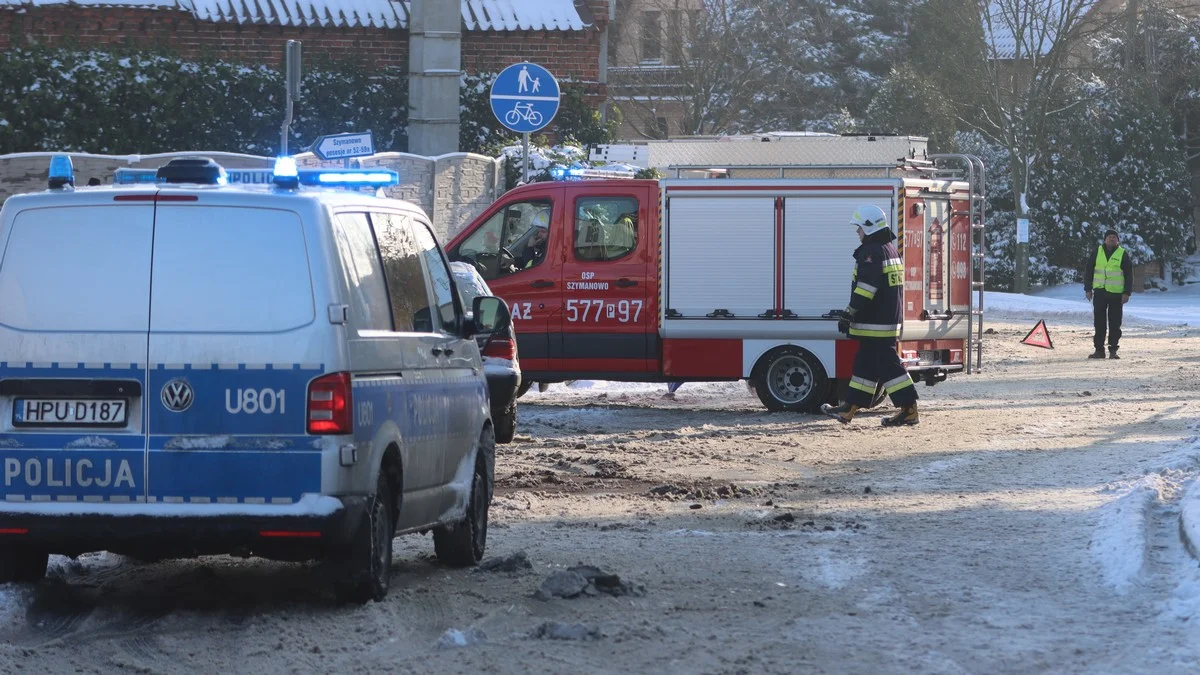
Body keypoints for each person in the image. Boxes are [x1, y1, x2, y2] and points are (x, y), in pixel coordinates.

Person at [820, 204, 920, 427]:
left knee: (889, 367)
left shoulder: (871, 252)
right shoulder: (889, 248)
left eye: (859, 229)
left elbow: (866, 288)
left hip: (876, 322)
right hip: (884, 320)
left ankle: (909, 409)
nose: (858, 233)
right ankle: (850, 408)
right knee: (864, 365)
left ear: (869, 227)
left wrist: (849, 313)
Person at [1083, 229, 1132, 359]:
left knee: (1115, 323)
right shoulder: (1097, 252)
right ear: (1105, 239)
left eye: (1114, 237)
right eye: (1109, 237)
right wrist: (1088, 289)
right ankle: (1099, 350)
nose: (1112, 239)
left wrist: (1127, 293)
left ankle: (1113, 350)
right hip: (1099, 292)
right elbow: (1089, 270)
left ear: (1118, 240)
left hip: (1116, 295)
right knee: (1099, 323)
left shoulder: (1123, 254)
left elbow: (1128, 275)